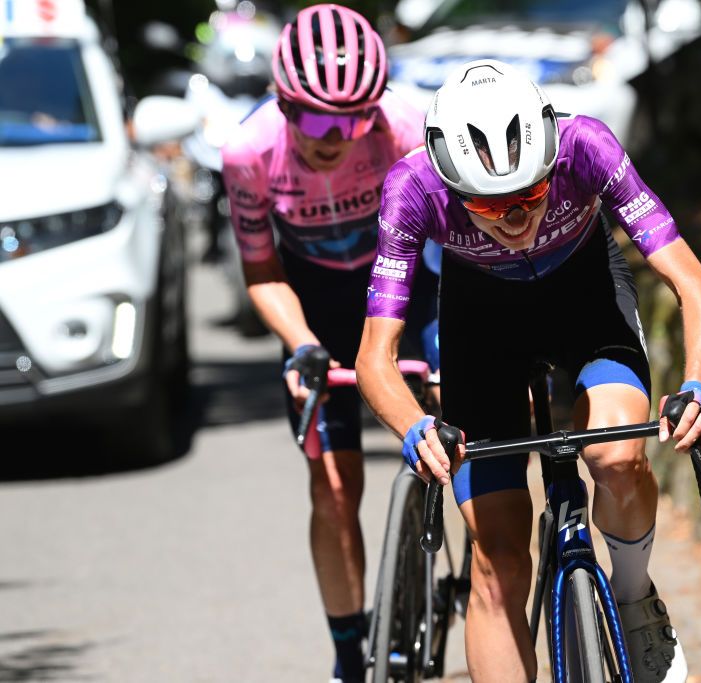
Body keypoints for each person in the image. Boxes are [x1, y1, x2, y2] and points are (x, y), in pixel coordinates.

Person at [356, 59, 701, 682]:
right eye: (488, 205)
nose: (513, 218)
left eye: (529, 195)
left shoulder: (586, 146)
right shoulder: (412, 189)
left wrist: (699, 384)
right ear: (450, 186)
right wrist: (415, 427)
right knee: (495, 562)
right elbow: (375, 355)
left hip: (587, 304)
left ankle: (635, 598)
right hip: (482, 325)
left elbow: (693, 284)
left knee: (617, 460)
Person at [220, 6, 437, 682]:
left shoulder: (400, 128)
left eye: (353, 119)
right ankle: (349, 654)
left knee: (469, 448)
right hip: (314, 310)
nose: (336, 137)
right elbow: (261, 269)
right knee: (335, 488)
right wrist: (301, 344)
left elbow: (450, 243)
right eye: (317, 120)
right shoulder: (248, 153)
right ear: (284, 104)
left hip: (409, 293)